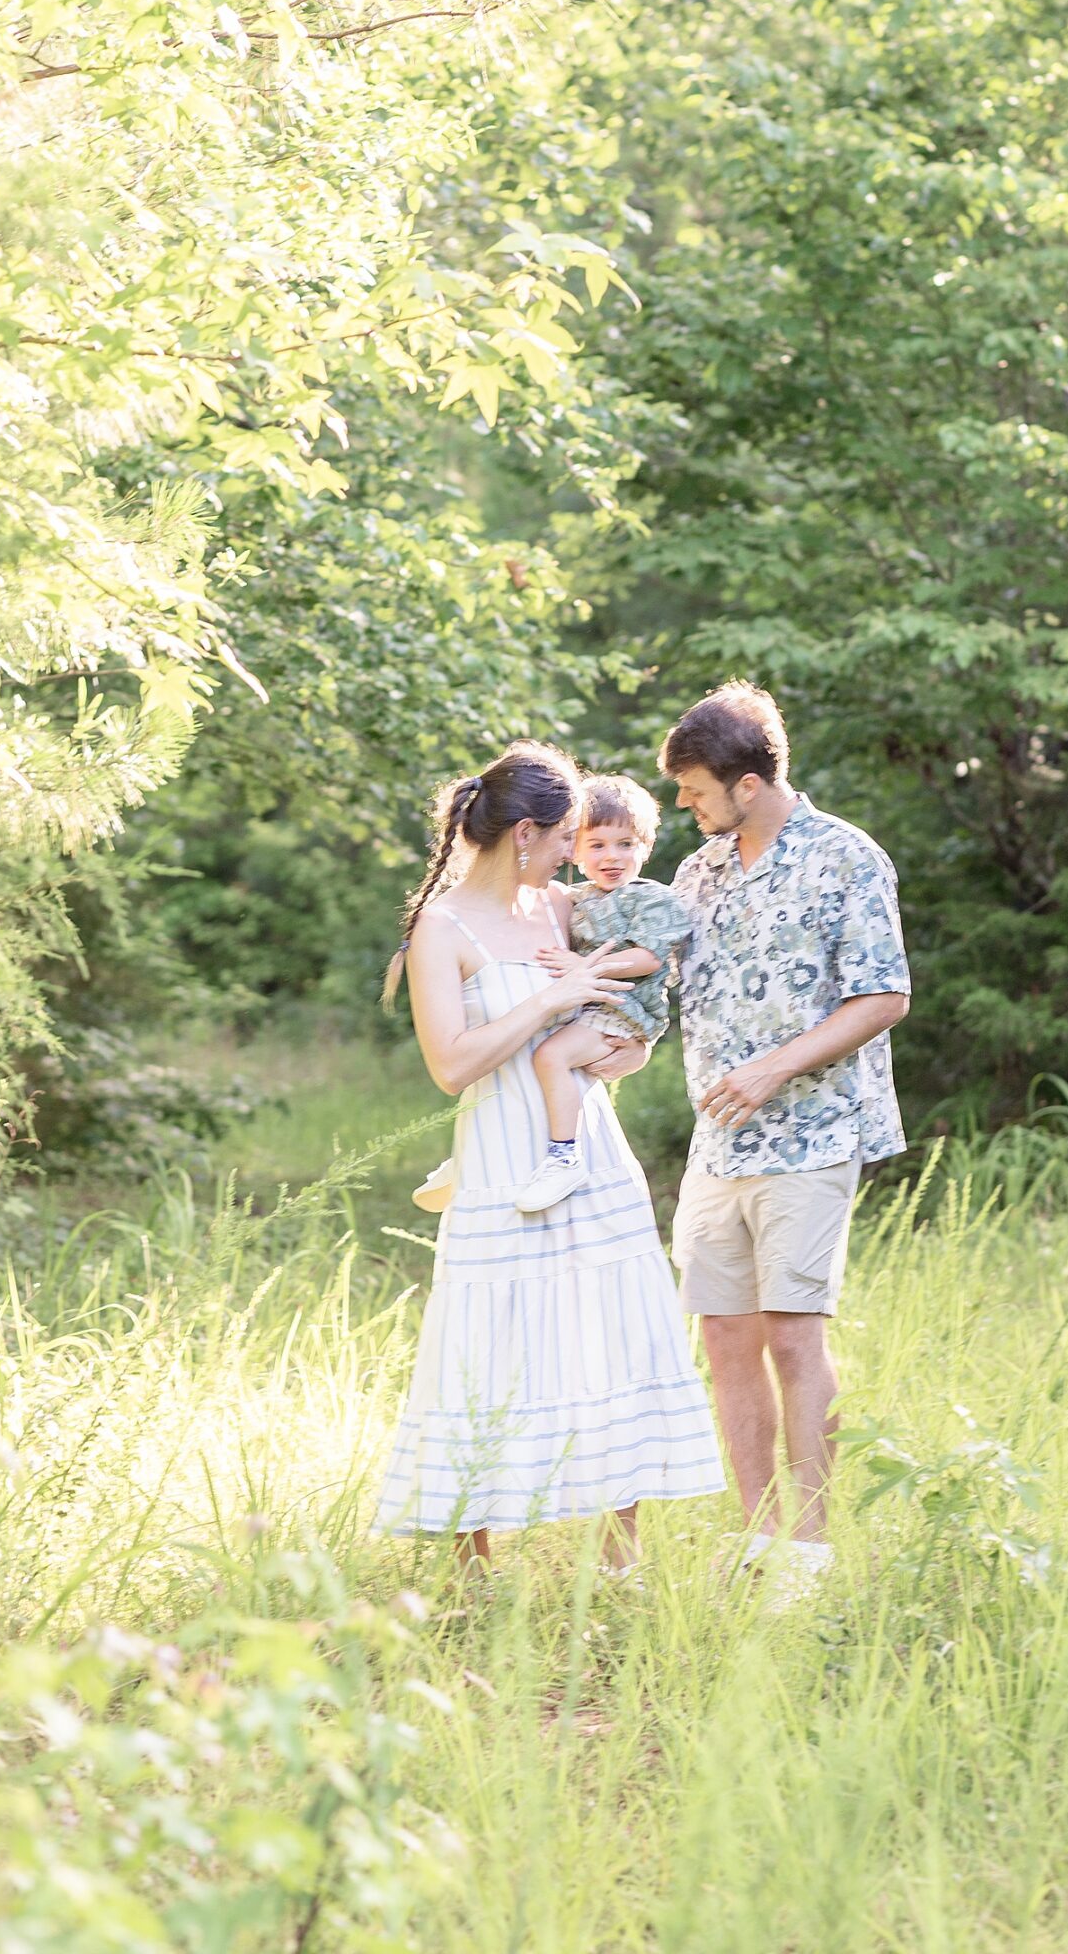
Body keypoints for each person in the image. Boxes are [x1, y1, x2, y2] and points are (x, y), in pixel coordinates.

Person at [375, 742, 725, 1564]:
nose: (579, 849)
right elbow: (451, 1065)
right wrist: (553, 997)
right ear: (525, 833)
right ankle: (470, 1570)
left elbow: (631, 1017)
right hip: (500, 1155)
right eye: (567, 834)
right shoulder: (442, 927)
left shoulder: (566, 907)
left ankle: (619, 1561)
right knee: (486, 1344)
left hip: (588, 1152)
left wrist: (621, 1053)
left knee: (613, 1331)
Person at [662, 683, 910, 1597]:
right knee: (724, 1335)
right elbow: (659, 990)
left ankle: (807, 1549)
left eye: (694, 790)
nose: (685, 808)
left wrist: (772, 1068)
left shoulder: (847, 857)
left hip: (812, 1132)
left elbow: (884, 995)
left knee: (791, 1335)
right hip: (716, 1143)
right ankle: (756, 1536)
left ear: (751, 780)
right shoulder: (698, 873)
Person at [514, 772, 691, 1214]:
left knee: (549, 1057)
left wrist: (585, 969)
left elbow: (648, 958)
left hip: (621, 1011)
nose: (612, 857)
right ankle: (493, 1154)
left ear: (645, 848)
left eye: (625, 844)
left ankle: (563, 1157)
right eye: (597, 845)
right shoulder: (577, 897)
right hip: (587, 1006)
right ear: (573, 848)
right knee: (522, 1049)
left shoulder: (650, 899)